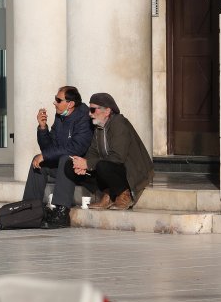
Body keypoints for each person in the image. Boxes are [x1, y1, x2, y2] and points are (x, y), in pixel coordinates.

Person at [22, 86, 92, 229]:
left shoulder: (84, 118)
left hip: (83, 170)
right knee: (38, 161)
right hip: (63, 167)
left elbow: (75, 148)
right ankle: (30, 209)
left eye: (58, 100)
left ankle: (61, 213)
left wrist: (46, 155)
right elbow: (49, 149)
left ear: (70, 104)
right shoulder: (60, 117)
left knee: (66, 158)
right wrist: (42, 128)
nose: (54, 103)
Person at [70, 93, 154, 210]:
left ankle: (124, 193)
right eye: (89, 110)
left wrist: (88, 164)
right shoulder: (98, 126)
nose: (90, 114)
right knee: (70, 166)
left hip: (132, 171)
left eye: (93, 110)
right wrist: (83, 164)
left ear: (107, 111)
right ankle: (108, 193)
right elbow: (92, 152)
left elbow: (118, 157)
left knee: (102, 166)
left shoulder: (119, 123)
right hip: (111, 167)